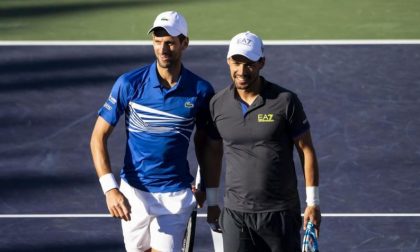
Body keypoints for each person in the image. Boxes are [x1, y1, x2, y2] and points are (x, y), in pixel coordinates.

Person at [90, 11, 222, 252]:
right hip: (133, 194)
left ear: (184, 43)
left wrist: (205, 189)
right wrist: (110, 189)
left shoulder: (201, 91)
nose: (163, 48)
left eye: (170, 42)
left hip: (175, 196)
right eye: (157, 41)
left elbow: (208, 146)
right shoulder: (129, 84)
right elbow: (98, 137)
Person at [209, 31, 322, 252]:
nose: (241, 71)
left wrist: (313, 202)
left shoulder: (285, 101)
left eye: (249, 64)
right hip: (236, 214)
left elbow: (306, 150)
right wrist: (212, 201)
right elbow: (212, 152)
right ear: (228, 61)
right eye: (237, 62)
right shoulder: (217, 104)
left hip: (279, 213)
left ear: (262, 62)